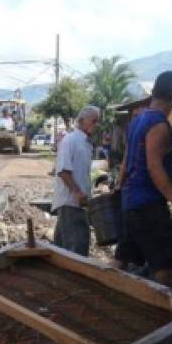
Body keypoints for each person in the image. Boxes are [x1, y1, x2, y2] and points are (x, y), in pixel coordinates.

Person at [114, 71, 172, 287]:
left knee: (122, 260)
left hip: (131, 203)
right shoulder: (158, 125)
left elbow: (126, 162)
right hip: (148, 205)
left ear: (154, 91)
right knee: (166, 266)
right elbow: (154, 166)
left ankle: (107, 297)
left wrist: (121, 189)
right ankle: (168, 315)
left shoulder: (138, 120)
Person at [51, 105, 100, 256]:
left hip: (77, 203)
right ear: (81, 120)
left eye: (98, 121)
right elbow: (63, 171)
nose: (96, 125)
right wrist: (78, 193)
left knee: (64, 248)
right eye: (94, 121)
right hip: (71, 203)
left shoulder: (85, 142)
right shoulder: (71, 140)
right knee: (76, 249)